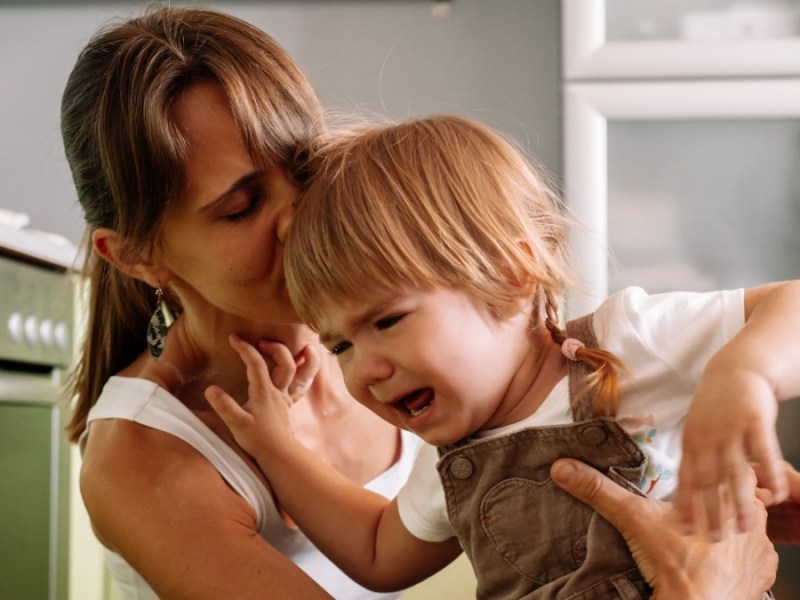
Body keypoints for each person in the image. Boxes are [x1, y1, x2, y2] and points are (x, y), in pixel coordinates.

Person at [205, 115, 800, 598]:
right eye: (339, 345)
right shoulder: (449, 466)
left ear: (510, 275)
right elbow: (377, 555)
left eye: (387, 320)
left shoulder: (623, 341)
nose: (365, 370)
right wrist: (276, 450)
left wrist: (742, 371)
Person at [60, 7, 419, 599]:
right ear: (137, 257)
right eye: (242, 207)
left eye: (305, 169)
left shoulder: (386, 336)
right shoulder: (141, 452)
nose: (300, 218)